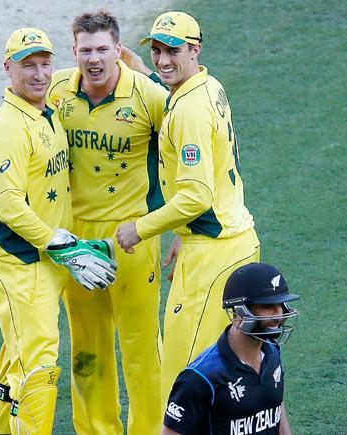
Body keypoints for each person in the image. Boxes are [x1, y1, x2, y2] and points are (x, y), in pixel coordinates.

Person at [116, 11, 261, 406]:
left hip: (213, 255)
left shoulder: (189, 111)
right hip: (230, 239)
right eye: (158, 50)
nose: (164, 59)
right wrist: (145, 72)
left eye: (173, 51)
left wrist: (139, 229)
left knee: (187, 381)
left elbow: (195, 196)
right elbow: (178, 103)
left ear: (194, 50)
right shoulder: (208, 86)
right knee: (228, 372)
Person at [0, 28, 116, 435]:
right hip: (21, 263)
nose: (39, 74)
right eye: (27, 66)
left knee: (17, 358)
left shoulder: (44, 111)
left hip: (46, 260)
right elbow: (8, 206)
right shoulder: (8, 129)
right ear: (8, 69)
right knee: (38, 365)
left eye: (44, 64)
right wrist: (56, 240)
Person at [47, 10, 169, 434]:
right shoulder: (57, 89)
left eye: (103, 50)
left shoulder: (149, 97)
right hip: (78, 239)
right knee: (88, 348)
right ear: (74, 51)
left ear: (119, 50)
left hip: (133, 236)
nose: (93, 59)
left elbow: (187, 152)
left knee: (141, 350)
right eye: (85, 50)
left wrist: (182, 231)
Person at [161, 262, 298, 435]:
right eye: (267, 306)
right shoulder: (200, 379)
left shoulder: (272, 352)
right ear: (240, 310)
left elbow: (275, 405)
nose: (278, 314)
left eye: (281, 304)